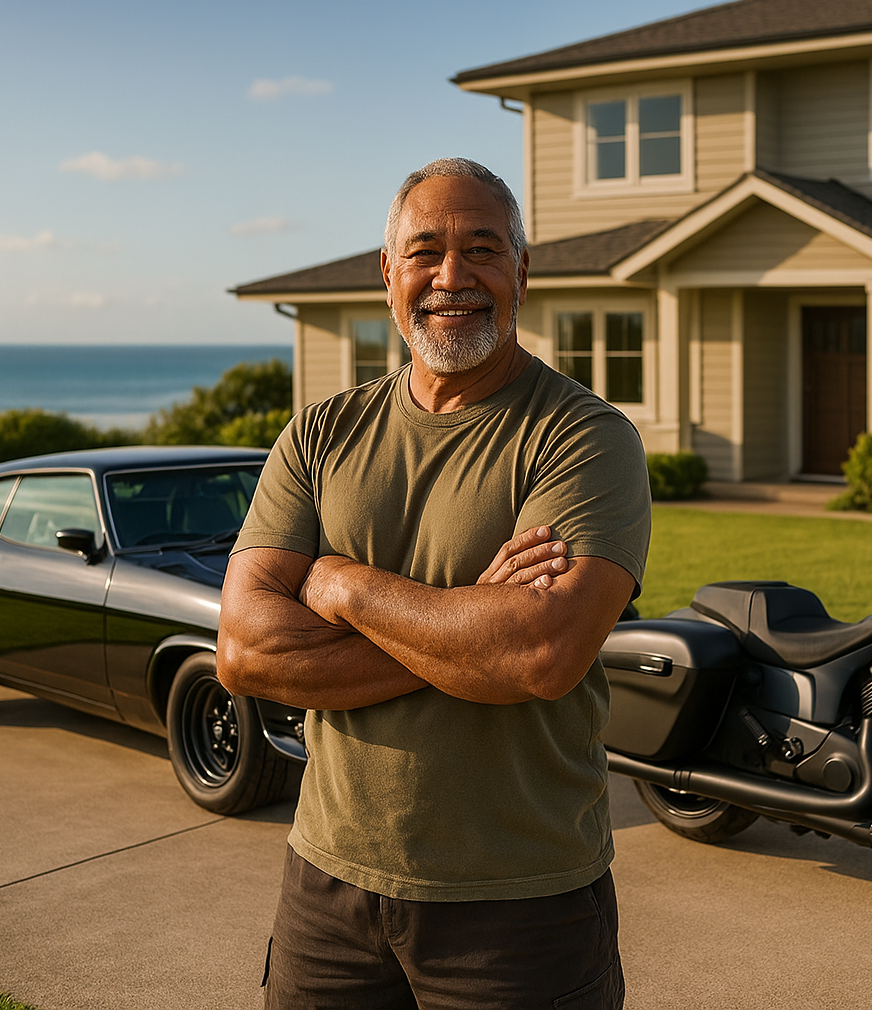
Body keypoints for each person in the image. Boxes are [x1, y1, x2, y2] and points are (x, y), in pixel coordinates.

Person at [217, 156, 652, 1010]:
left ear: (521, 272)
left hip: (520, 905)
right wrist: (465, 621)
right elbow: (244, 651)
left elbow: (538, 653)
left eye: (483, 250)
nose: (453, 276)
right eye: (426, 251)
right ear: (389, 273)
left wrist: (341, 587)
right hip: (326, 886)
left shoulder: (585, 440)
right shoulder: (321, 435)